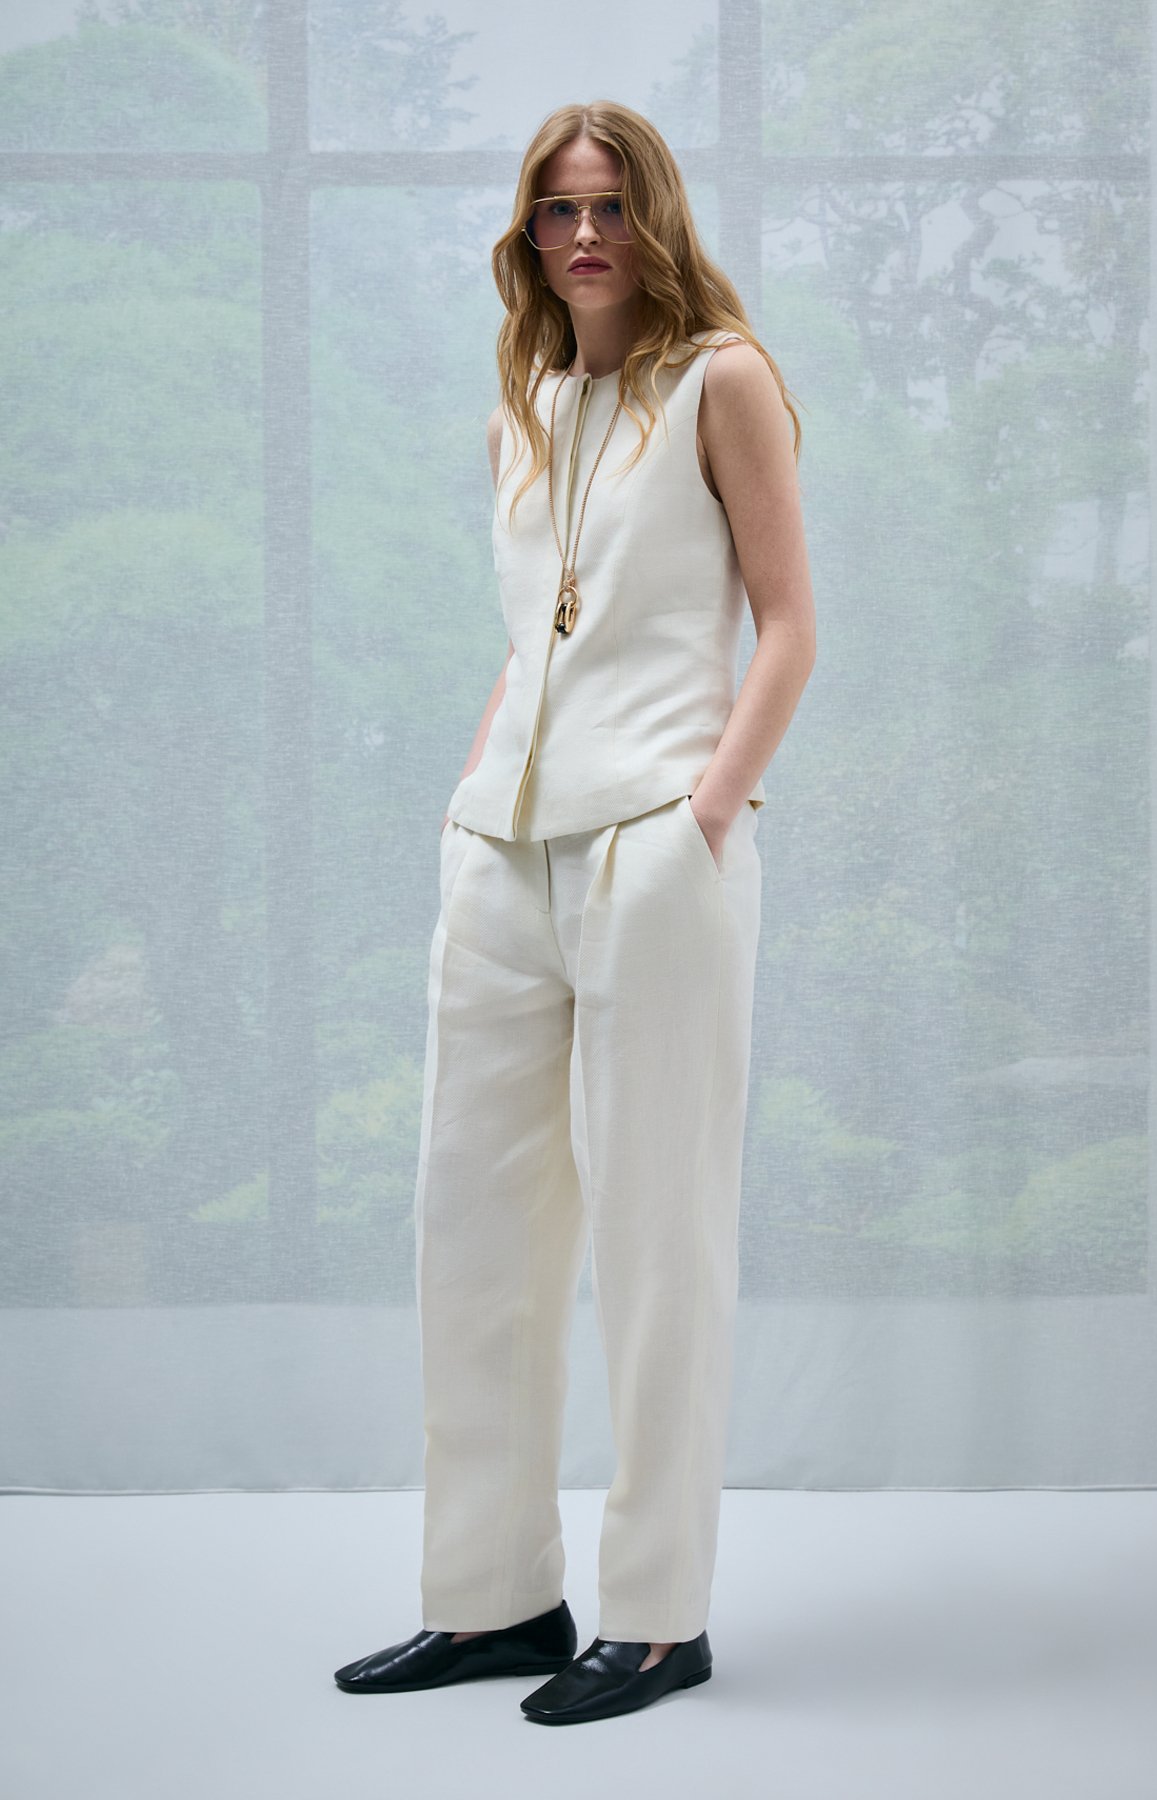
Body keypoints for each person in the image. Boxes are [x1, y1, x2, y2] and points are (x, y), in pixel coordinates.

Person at [334, 100, 815, 1727]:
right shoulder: (525, 408)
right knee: (470, 1236)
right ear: (527, 234)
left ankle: (658, 1619)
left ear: (653, 215)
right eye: (558, 210)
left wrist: (706, 815)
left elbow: (790, 625)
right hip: (499, 854)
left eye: (610, 205)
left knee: (659, 1241)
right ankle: (492, 1600)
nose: (586, 235)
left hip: (653, 857)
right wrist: (469, 795)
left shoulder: (723, 381)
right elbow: (531, 639)